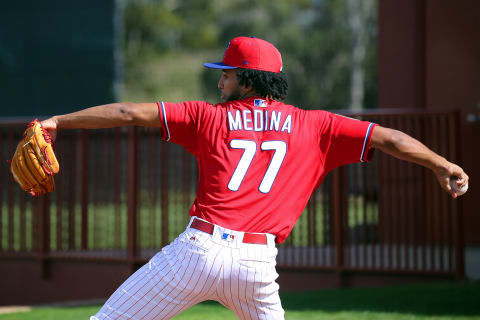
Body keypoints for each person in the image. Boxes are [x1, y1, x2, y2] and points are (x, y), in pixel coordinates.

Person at [40, 36, 468, 320]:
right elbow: (389, 138)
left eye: (226, 72)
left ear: (247, 78)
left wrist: (58, 121)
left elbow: (128, 112)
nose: (221, 79)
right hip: (256, 265)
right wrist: (441, 165)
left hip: (197, 252)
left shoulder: (206, 117)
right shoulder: (315, 125)